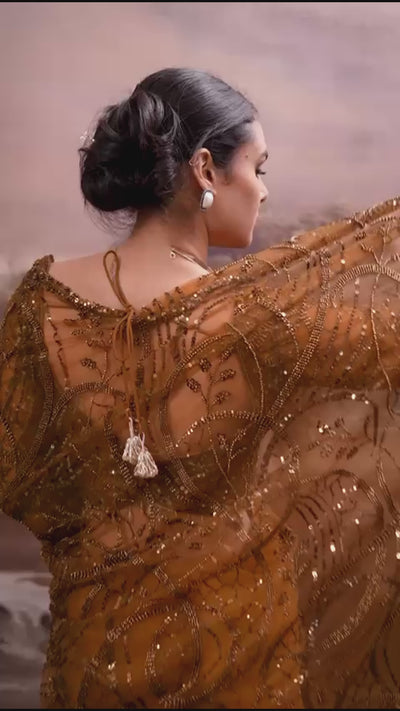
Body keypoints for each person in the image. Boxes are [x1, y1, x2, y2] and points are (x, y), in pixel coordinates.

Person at [1, 67, 400, 709]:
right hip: (240, 659)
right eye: (258, 168)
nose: (264, 191)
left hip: (93, 659)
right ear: (207, 170)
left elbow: (18, 476)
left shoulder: (40, 306)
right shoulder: (257, 321)